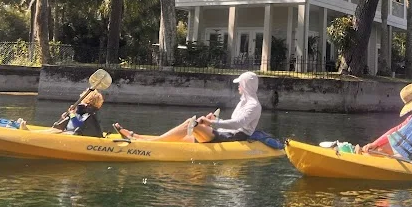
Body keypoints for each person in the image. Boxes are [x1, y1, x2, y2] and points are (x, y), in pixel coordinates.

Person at [115, 71, 262, 143]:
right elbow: (234, 122)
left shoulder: (253, 105)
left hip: (234, 138)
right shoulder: (243, 102)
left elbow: (238, 124)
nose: (238, 86)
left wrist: (211, 123)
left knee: (190, 124)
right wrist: (215, 120)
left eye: (240, 84)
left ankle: (151, 143)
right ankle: (138, 137)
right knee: (187, 136)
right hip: (226, 133)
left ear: (245, 85)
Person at [19, 88, 105, 137]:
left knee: (57, 132)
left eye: (82, 100)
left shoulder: (90, 113)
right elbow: (75, 121)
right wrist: (67, 117)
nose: (80, 102)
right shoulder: (84, 110)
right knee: (54, 130)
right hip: (73, 133)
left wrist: (72, 114)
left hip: (80, 137)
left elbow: (78, 124)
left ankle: (29, 134)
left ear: (88, 101)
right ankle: (29, 132)